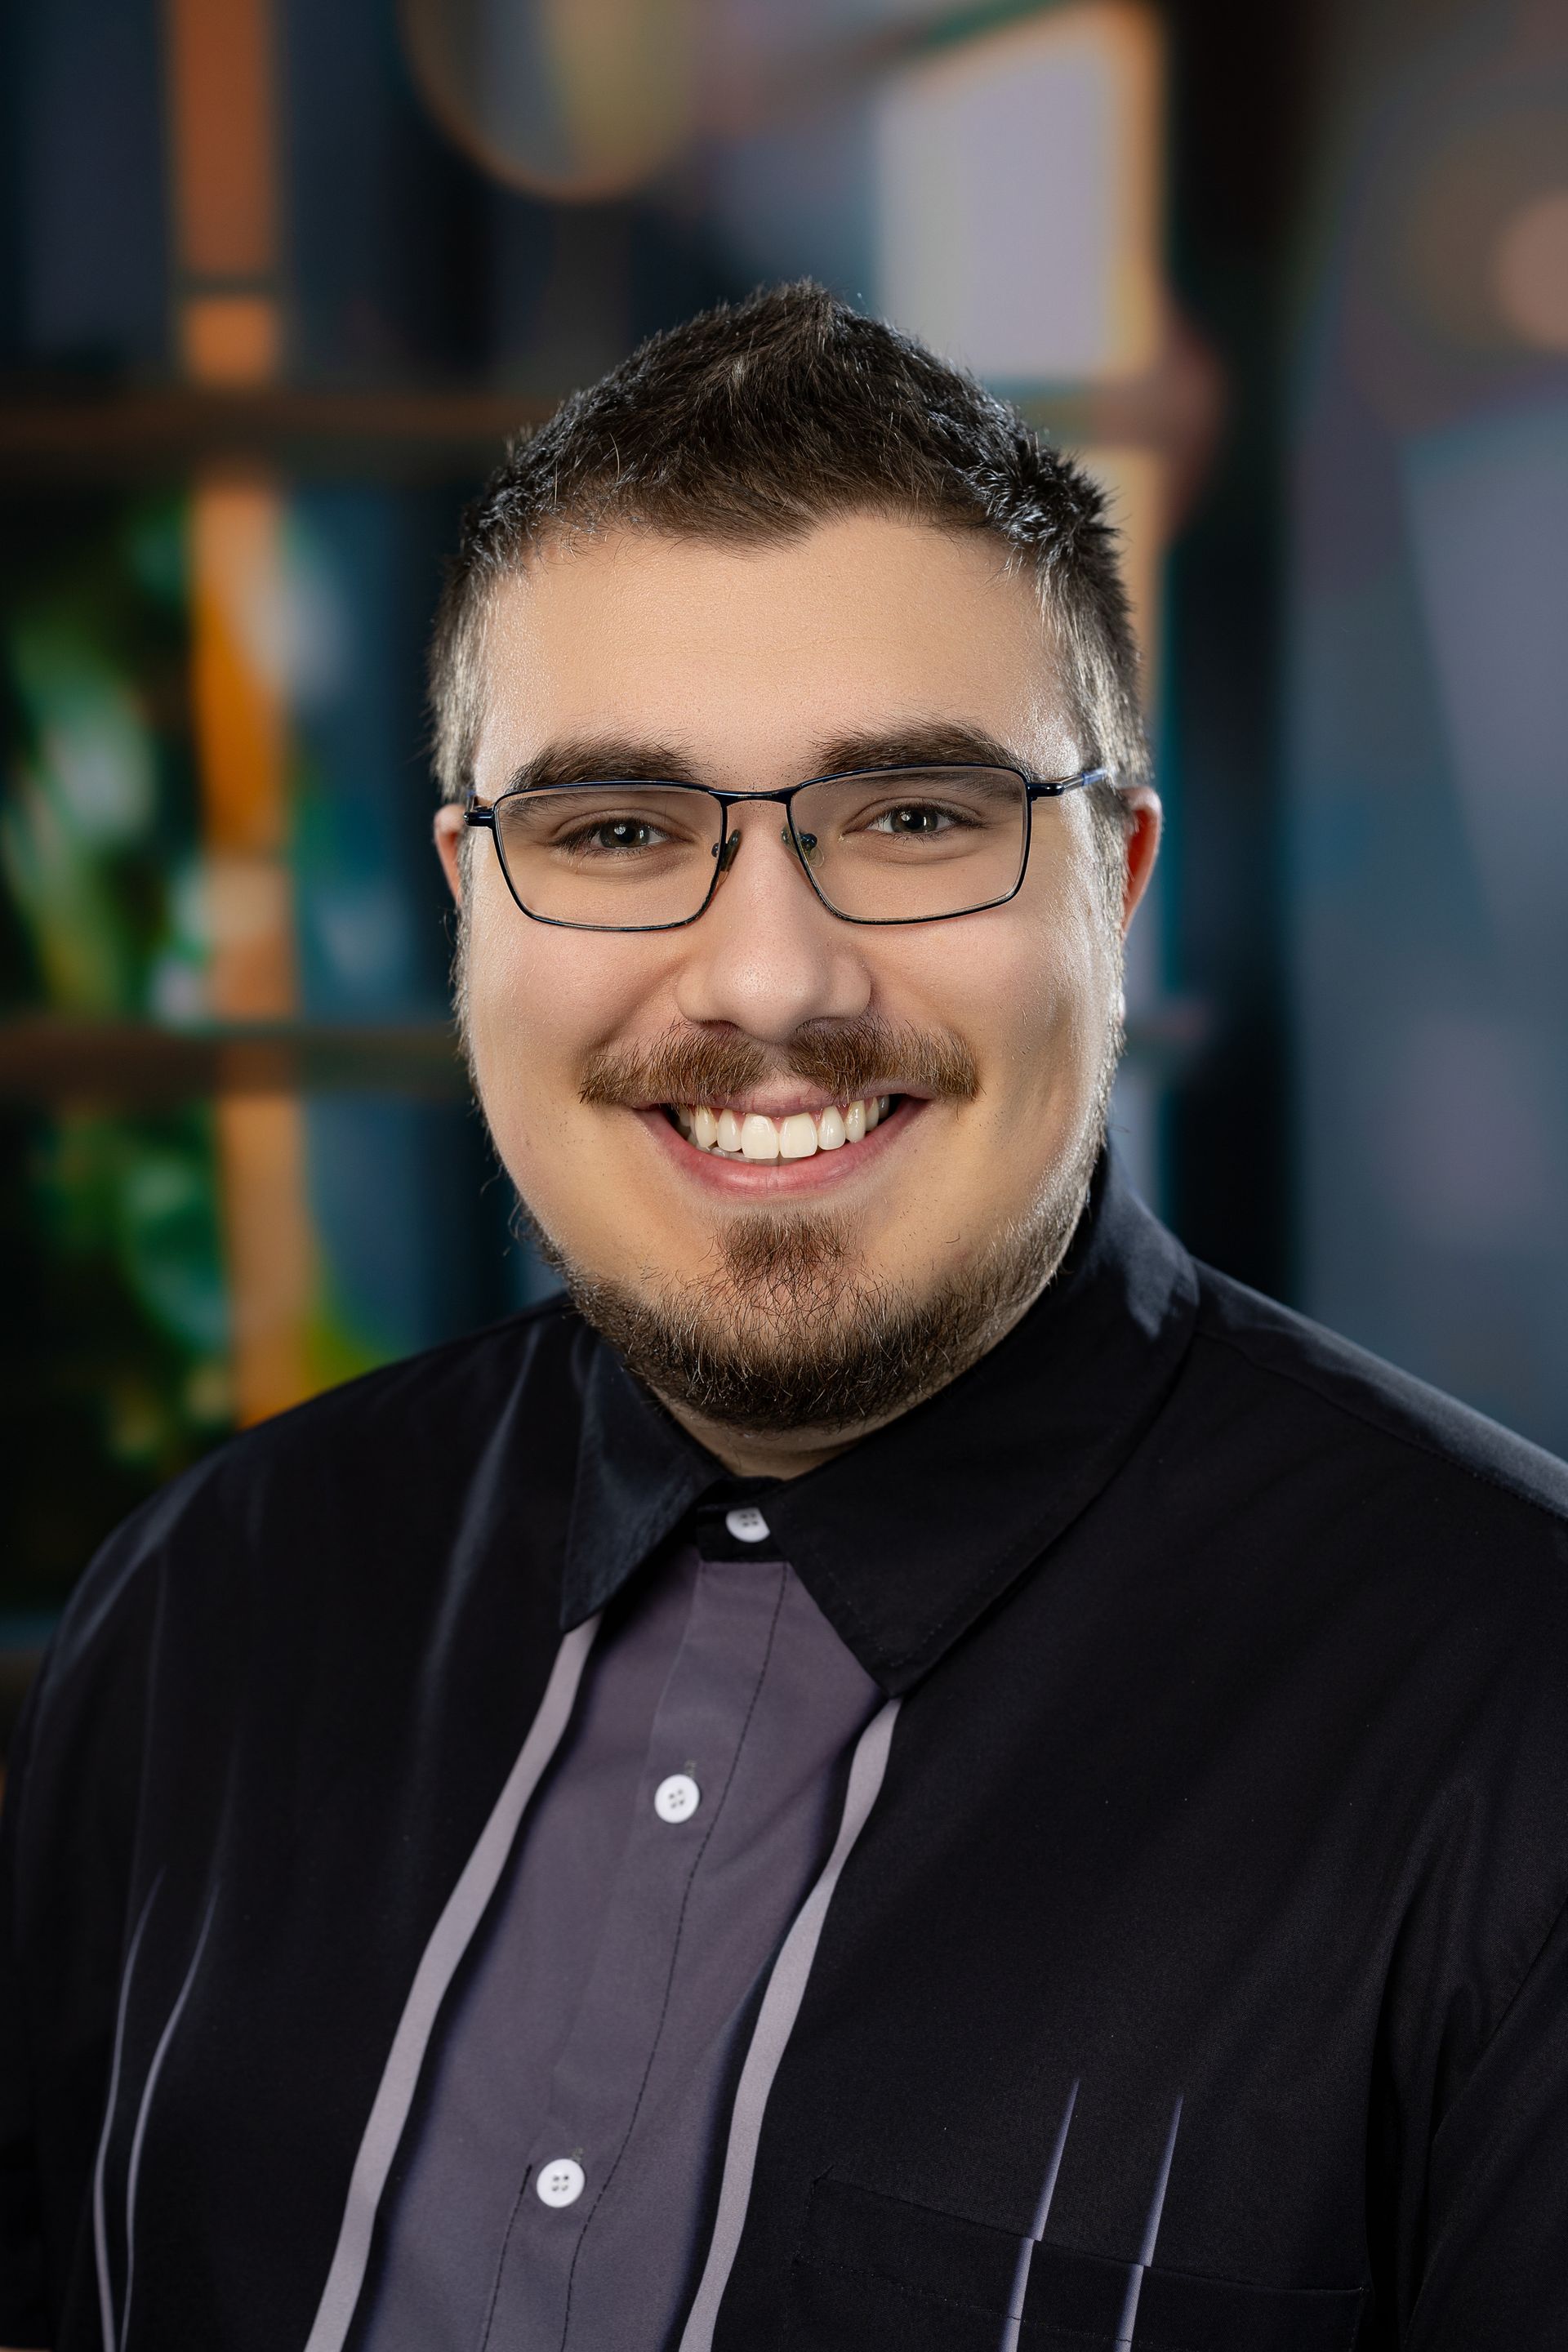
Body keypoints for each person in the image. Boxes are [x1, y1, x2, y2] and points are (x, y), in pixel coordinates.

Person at [2, 283, 1566, 2352]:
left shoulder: (1517, 1715)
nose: (767, 981)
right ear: (472, 900)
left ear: (1116, 884)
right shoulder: (202, 1610)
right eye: (616, 829)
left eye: (914, 819)